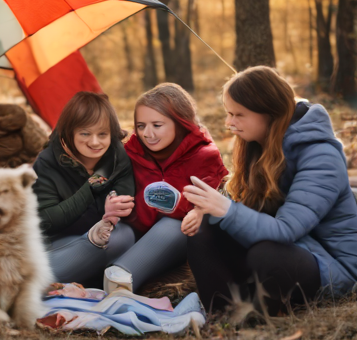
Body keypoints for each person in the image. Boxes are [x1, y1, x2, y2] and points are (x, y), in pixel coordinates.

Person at [183, 66, 357, 315]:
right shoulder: (258, 144)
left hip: (330, 267)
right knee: (205, 229)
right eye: (229, 113)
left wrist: (225, 209)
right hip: (287, 248)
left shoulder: (321, 155)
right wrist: (209, 211)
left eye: (238, 114)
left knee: (266, 254)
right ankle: (223, 315)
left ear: (269, 112)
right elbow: (246, 209)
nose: (229, 122)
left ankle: (261, 315)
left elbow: (284, 230)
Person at [104, 83, 228, 293]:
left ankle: (118, 280)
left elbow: (217, 197)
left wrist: (199, 211)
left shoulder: (203, 156)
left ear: (180, 123)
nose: (147, 134)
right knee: (114, 234)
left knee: (172, 226)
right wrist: (112, 202)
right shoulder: (130, 153)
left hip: (175, 239)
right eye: (141, 126)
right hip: (133, 231)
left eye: (157, 125)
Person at [32, 92, 136, 285]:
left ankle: (101, 278)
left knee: (124, 236)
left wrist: (115, 207)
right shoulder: (47, 162)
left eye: (102, 134)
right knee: (97, 246)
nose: (95, 142)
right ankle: (44, 279)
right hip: (57, 244)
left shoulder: (117, 157)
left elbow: (125, 195)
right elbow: (46, 220)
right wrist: (91, 187)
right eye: (85, 133)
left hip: (105, 240)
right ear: (70, 132)